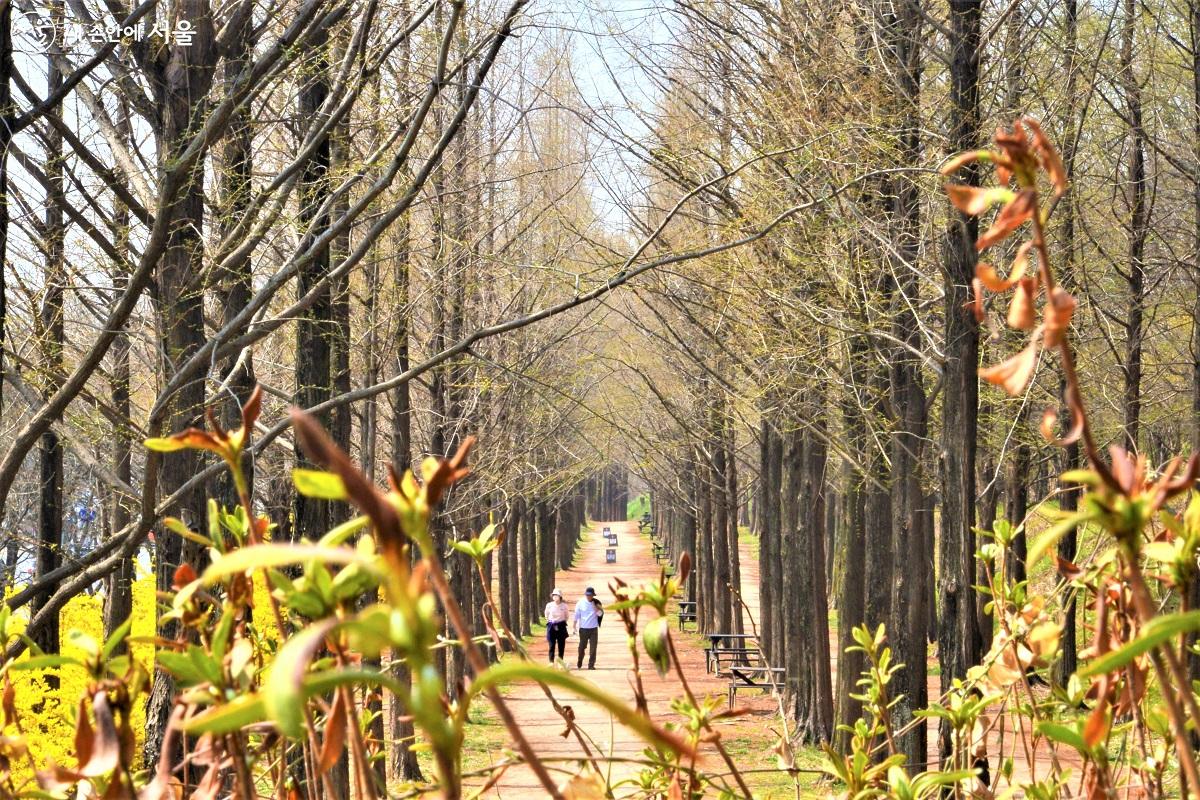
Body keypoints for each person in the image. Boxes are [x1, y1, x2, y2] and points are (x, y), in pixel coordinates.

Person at [572, 586, 604, 669]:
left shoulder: (597, 603)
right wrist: (574, 626)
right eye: (587, 595)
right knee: (582, 647)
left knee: (593, 648)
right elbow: (576, 615)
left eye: (590, 595)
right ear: (585, 595)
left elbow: (601, 614)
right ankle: (580, 660)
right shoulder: (580, 603)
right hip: (583, 629)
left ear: (593, 595)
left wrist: (595, 609)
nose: (589, 596)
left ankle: (591, 665)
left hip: (593, 629)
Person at [544, 588, 569, 663]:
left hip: (561, 626)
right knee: (551, 645)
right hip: (551, 626)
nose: (555, 597)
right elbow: (546, 614)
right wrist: (551, 621)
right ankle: (551, 662)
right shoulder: (549, 605)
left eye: (557, 595)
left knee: (561, 646)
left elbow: (566, 616)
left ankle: (560, 663)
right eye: (554, 595)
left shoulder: (564, 606)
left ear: (560, 596)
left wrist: (560, 622)